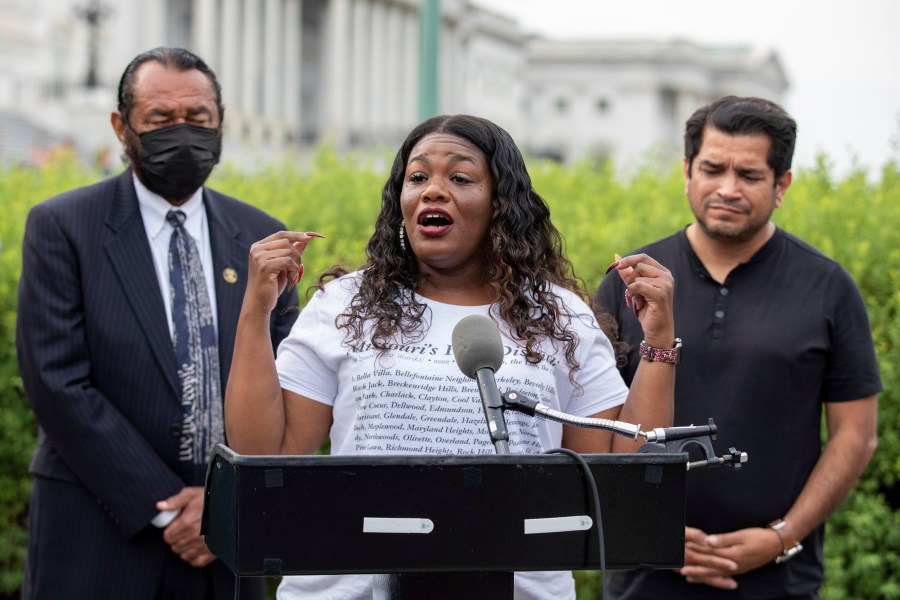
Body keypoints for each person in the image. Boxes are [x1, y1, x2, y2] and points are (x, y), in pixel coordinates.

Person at [224, 114, 678, 599]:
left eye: (459, 178)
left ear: (501, 204)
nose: (433, 190)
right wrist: (256, 310)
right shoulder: (345, 306)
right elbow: (264, 452)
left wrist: (659, 341)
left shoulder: (560, 317)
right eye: (417, 177)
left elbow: (616, 474)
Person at [16, 47, 298, 599]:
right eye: (160, 120)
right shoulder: (63, 227)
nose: (183, 133)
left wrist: (220, 501)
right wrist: (166, 508)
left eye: (198, 119)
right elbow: (56, 381)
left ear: (220, 123)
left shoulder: (260, 236)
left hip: (225, 542)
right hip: (98, 532)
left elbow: (284, 380)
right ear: (123, 128)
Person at [597, 96, 881, 599]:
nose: (727, 188)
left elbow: (855, 437)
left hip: (777, 580)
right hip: (644, 576)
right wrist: (646, 527)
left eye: (749, 175)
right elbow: (595, 434)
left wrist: (782, 536)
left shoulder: (828, 288)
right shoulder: (633, 283)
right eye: (712, 168)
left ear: (782, 184)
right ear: (687, 171)